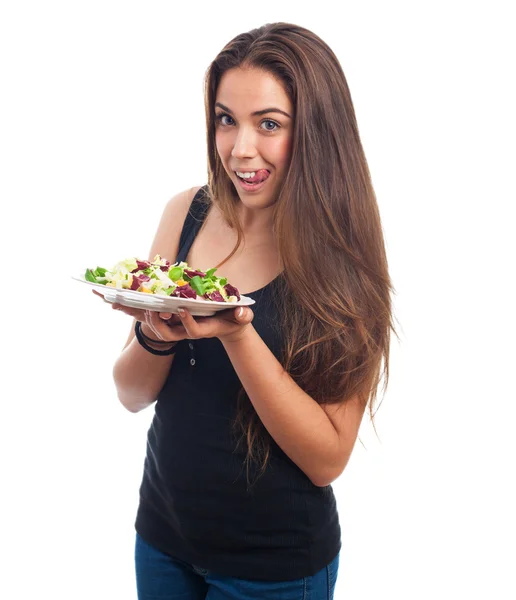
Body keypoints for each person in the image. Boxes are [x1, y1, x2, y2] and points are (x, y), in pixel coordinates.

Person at [95, 22, 397, 600]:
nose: (240, 148)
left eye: (270, 124)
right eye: (226, 118)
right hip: (162, 538)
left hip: (274, 571)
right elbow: (131, 395)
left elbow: (327, 460)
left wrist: (237, 334)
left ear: (315, 131)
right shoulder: (187, 212)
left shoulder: (343, 259)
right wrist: (156, 331)